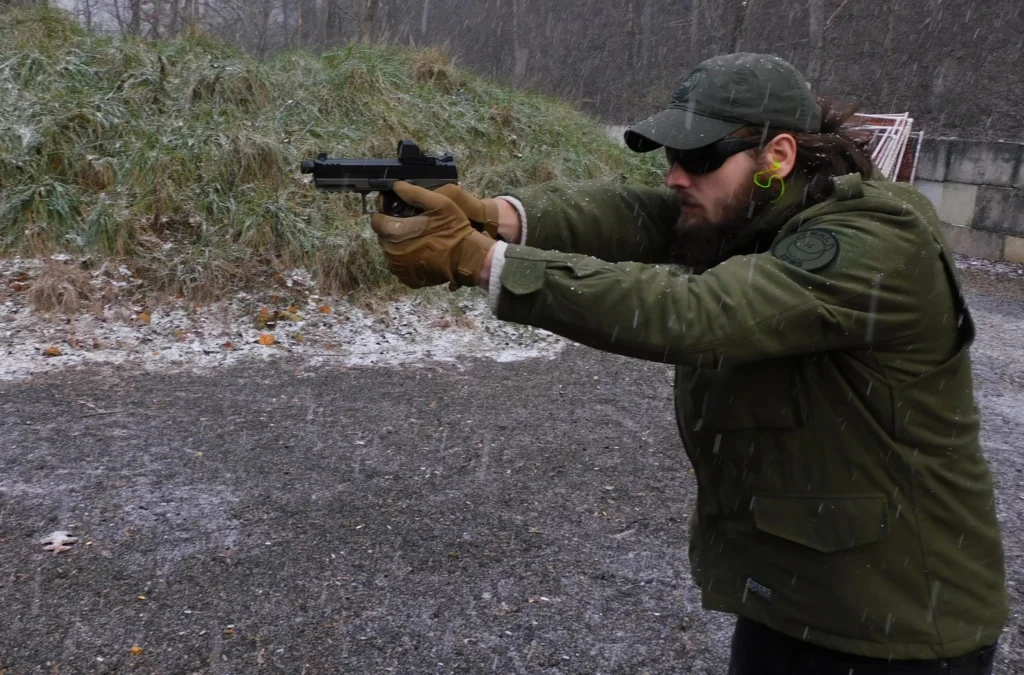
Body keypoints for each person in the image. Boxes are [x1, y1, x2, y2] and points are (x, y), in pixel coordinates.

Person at [369, 53, 1007, 674]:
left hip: (901, 633)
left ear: (777, 156)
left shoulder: (875, 239)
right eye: (674, 157)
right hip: (794, 604)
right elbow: (638, 213)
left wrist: (486, 262)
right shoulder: (763, 209)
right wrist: (495, 216)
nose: (677, 176)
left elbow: (697, 314)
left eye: (699, 159)